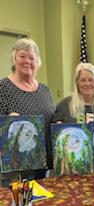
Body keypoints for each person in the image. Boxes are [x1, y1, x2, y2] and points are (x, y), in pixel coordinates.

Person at [0, 37, 55, 185]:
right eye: (22, 56)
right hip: (16, 166)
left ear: (37, 62)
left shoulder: (45, 91)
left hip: (43, 163)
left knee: (44, 205)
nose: (27, 61)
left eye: (32, 57)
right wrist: (7, 121)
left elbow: (51, 120)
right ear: (14, 59)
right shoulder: (3, 88)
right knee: (17, 205)